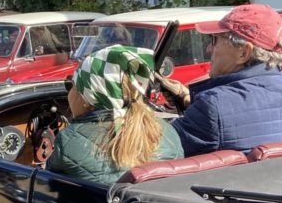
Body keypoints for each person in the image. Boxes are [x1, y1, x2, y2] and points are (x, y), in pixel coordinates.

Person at [160, 3, 282, 156]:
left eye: (215, 40)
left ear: (244, 53)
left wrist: (140, 108)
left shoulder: (212, 107)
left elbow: (153, 149)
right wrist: (188, 101)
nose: (208, 49)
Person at [48, 45, 183, 184]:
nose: (69, 93)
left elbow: (48, 184)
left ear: (88, 98)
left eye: (71, 85)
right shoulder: (169, 132)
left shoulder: (69, 141)